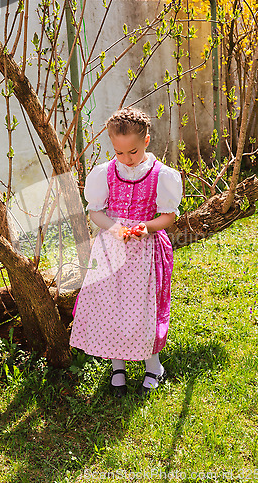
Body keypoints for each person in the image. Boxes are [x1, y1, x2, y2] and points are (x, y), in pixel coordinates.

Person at [69, 107, 182, 398]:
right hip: (110, 250)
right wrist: (114, 227)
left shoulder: (162, 175)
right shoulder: (105, 173)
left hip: (145, 253)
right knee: (111, 308)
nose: (126, 159)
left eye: (132, 151)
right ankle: (117, 365)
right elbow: (96, 212)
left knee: (143, 309)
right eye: (119, 153)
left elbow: (168, 216)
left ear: (146, 141)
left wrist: (147, 227)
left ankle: (153, 366)